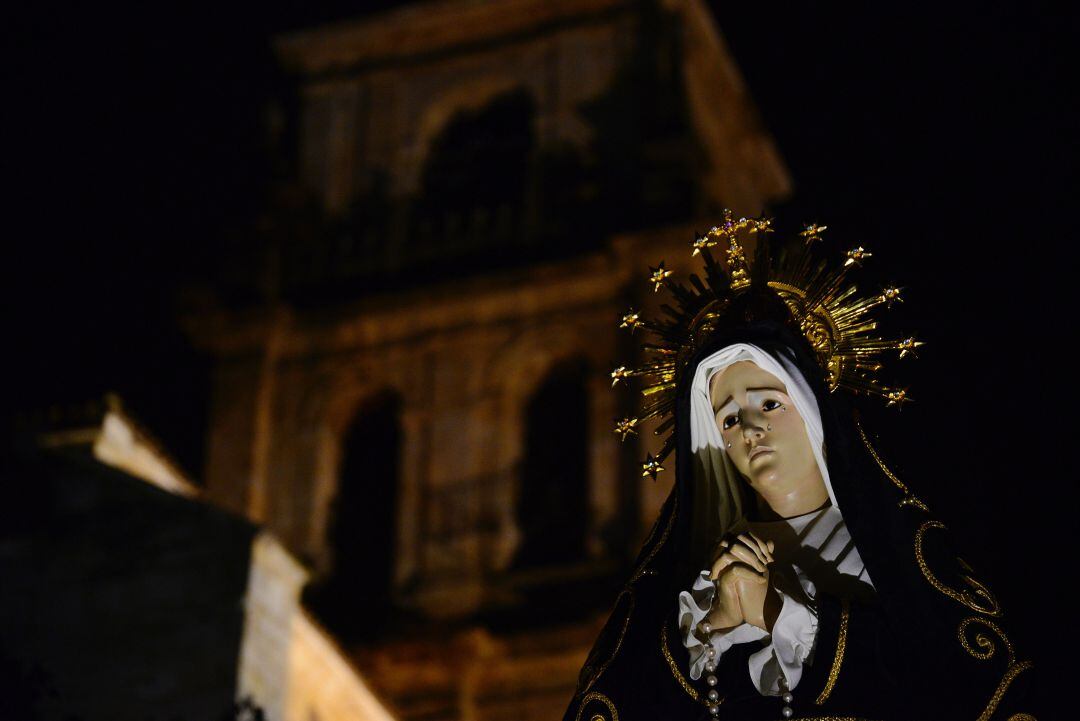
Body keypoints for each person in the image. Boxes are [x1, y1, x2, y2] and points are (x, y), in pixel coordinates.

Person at [562, 217, 1037, 720]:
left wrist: (777, 614)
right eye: (727, 418)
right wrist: (718, 627)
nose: (748, 428)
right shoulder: (701, 581)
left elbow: (962, 684)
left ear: (812, 411)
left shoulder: (895, 555)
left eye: (768, 404)